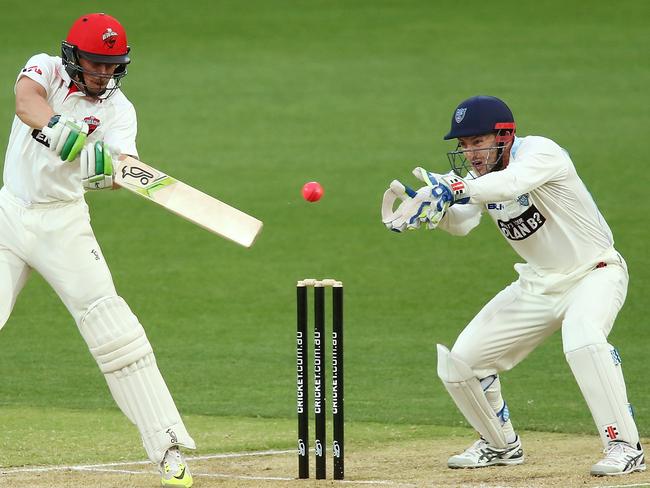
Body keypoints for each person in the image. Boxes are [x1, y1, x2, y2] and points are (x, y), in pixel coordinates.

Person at [382, 95, 645, 476]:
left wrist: (453, 190)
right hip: (538, 284)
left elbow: (512, 184)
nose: (470, 153)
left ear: (504, 136)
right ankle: (499, 443)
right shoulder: (478, 180)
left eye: (478, 142)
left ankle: (624, 445)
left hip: (595, 272)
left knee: (584, 339)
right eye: (465, 145)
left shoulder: (541, 152)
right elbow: (462, 222)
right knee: (462, 363)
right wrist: (429, 209)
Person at [1, 13, 195, 487]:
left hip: (64, 223)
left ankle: (167, 445)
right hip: (8, 213)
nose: (104, 74)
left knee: (114, 328)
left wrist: (105, 169)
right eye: (96, 64)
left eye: (112, 66)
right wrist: (58, 129)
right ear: (73, 57)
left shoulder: (119, 111)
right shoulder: (44, 69)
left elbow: (123, 168)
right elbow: (25, 102)